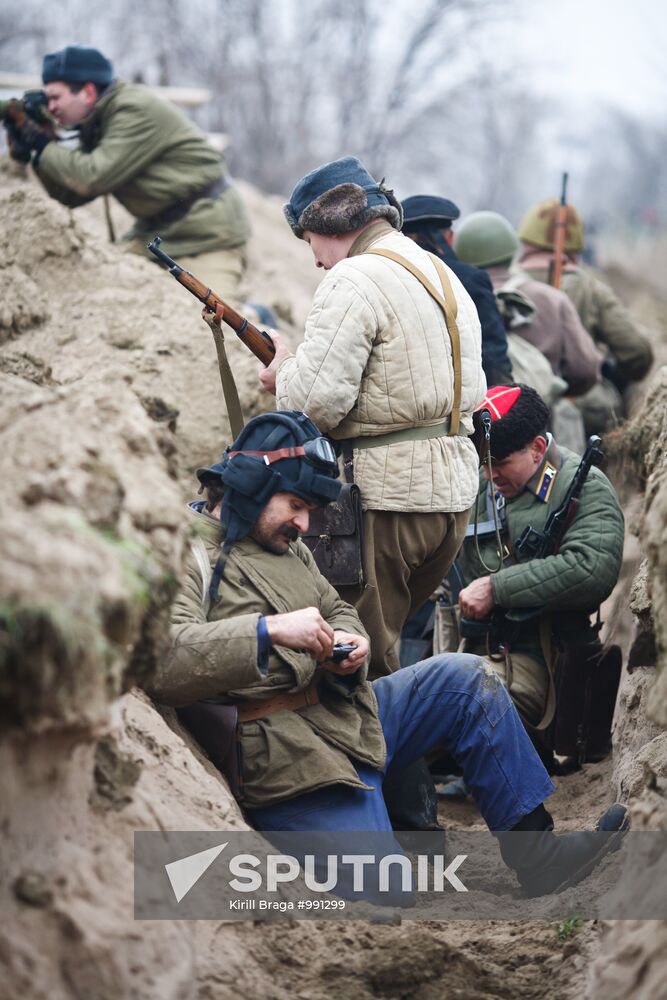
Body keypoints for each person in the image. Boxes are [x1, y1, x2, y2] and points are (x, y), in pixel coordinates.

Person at [147, 409, 627, 898]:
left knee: (465, 680)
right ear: (249, 486)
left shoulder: (287, 545)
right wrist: (267, 632)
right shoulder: (183, 553)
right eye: (295, 504)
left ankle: (539, 858)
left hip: (349, 715)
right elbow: (163, 662)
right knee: (388, 889)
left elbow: (336, 608)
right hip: (286, 758)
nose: (304, 522)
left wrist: (353, 641)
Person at [257, 155, 486, 680]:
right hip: (450, 498)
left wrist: (282, 370)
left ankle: (386, 761)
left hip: (387, 501)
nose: (315, 259)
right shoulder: (439, 270)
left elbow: (314, 405)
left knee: (358, 663)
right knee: (393, 646)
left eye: (309, 239)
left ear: (330, 225)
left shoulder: (354, 279)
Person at [5, 45, 250, 303]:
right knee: (104, 295)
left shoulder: (131, 109)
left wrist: (44, 145)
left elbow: (91, 178)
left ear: (88, 92)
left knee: (215, 319)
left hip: (209, 235)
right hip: (157, 234)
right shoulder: (98, 120)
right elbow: (69, 195)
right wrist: (38, 151)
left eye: (55, 98)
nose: (51, 107)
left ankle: (259, 313)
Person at [456, 384, 624, 742]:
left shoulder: (583, 486)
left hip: (544, 658)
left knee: (464, 706)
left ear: (536, 449)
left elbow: (590, 568)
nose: (490, 476)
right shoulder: (484, 486)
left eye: (500, 464)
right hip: (475, 646)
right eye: (485, 465)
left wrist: (497, 589)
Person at [516, 198, 653, 434]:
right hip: (579, 408)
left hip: (512, 407)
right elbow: (637, 353)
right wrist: (609, 375)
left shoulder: (500, 281)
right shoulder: (589, 286)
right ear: (576, 243)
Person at [454, 211, 602, 399]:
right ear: (512, 250)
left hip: (474, 418)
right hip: (539, 417)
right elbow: (584, 370)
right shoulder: (552, 299)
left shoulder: (453, 298)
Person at [401, 194, 513, 386]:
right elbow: (493, 352)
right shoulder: (471, 279)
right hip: (461, 400)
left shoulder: (380, 274)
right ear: (449, 237)